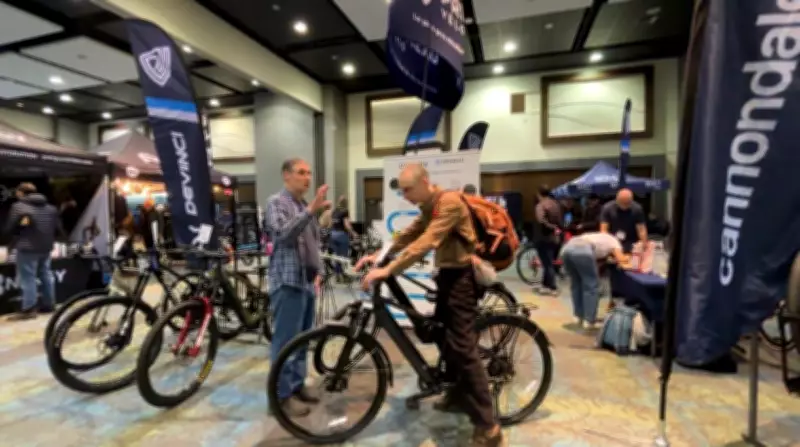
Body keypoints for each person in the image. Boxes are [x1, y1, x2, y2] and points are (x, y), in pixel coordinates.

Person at [357, 163, 504, 447]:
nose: (406, 195)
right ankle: (459, 393)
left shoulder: (448, 203)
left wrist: (389, 270)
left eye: (409, 189)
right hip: (447, 276)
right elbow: (410, 234)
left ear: (425, 181)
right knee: (435, 332)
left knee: (463, 347)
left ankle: (489, 427)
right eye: (403, 191)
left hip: (461, 279)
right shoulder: (430, 204)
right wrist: (380, 255)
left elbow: (427, 241)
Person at [264, 158, 329, 417]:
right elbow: (282, 236)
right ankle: (280, 397)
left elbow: (313, 243)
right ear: (286, 176)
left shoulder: (303, 205)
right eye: (301, 172)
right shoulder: (276, 203)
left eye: (309, 173)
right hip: (288, 280)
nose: (307, 177)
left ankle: (296, 385)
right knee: (285, 342)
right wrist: (311, 211)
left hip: (306, 280)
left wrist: (319, 272)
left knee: (302, 340)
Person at [2, 183, 63, 320]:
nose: (16, 195)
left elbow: (9, 228)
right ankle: (49, 305)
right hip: (46, 247)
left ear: (22, 193)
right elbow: (58, 228)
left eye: (17, 192)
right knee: (46, 275)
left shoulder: (18, 207)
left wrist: (18, 231)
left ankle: (29, 309)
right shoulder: (51, 208)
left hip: (27, 247)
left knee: (28, 278)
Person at [560, 231, 631, 330]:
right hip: (582, 249)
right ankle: (589, 320)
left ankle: (578, 316)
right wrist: (628, 257)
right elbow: (621, 258)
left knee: (576, 284)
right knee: (591, 286)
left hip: (567, 249)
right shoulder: (615, 242)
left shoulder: (601, 237)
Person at [534, 186, 563, 296]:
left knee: (547, 264)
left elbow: (540, 220)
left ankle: (553, 287)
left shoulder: (540, 205)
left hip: (543, 237)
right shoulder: (556, 204)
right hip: (555, 238)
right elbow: (561, 221)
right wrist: (557, 229)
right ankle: (545, 285)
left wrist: (551, 227)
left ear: (539, 194)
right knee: (549, 261)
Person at [600, 188, 647, 253]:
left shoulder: (637, 209)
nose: (625, 206)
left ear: (631, 200)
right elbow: (604, 231)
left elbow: (641, 229)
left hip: (632, 242)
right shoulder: (607, 208)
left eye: (627, 203)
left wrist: (642, 243)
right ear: (617, 200)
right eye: (622, 203)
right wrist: (609, 245)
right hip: (613, 243)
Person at [329, 196, 358, 280]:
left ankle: (338, 274)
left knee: (337, 256)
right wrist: (353, 233)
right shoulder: (345, 211)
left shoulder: (334, 211)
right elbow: (346, 224)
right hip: (341, 235)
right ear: (345, 203)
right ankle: (340, 274)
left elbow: (331, 223)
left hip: (333, 234)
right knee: (343, 257)